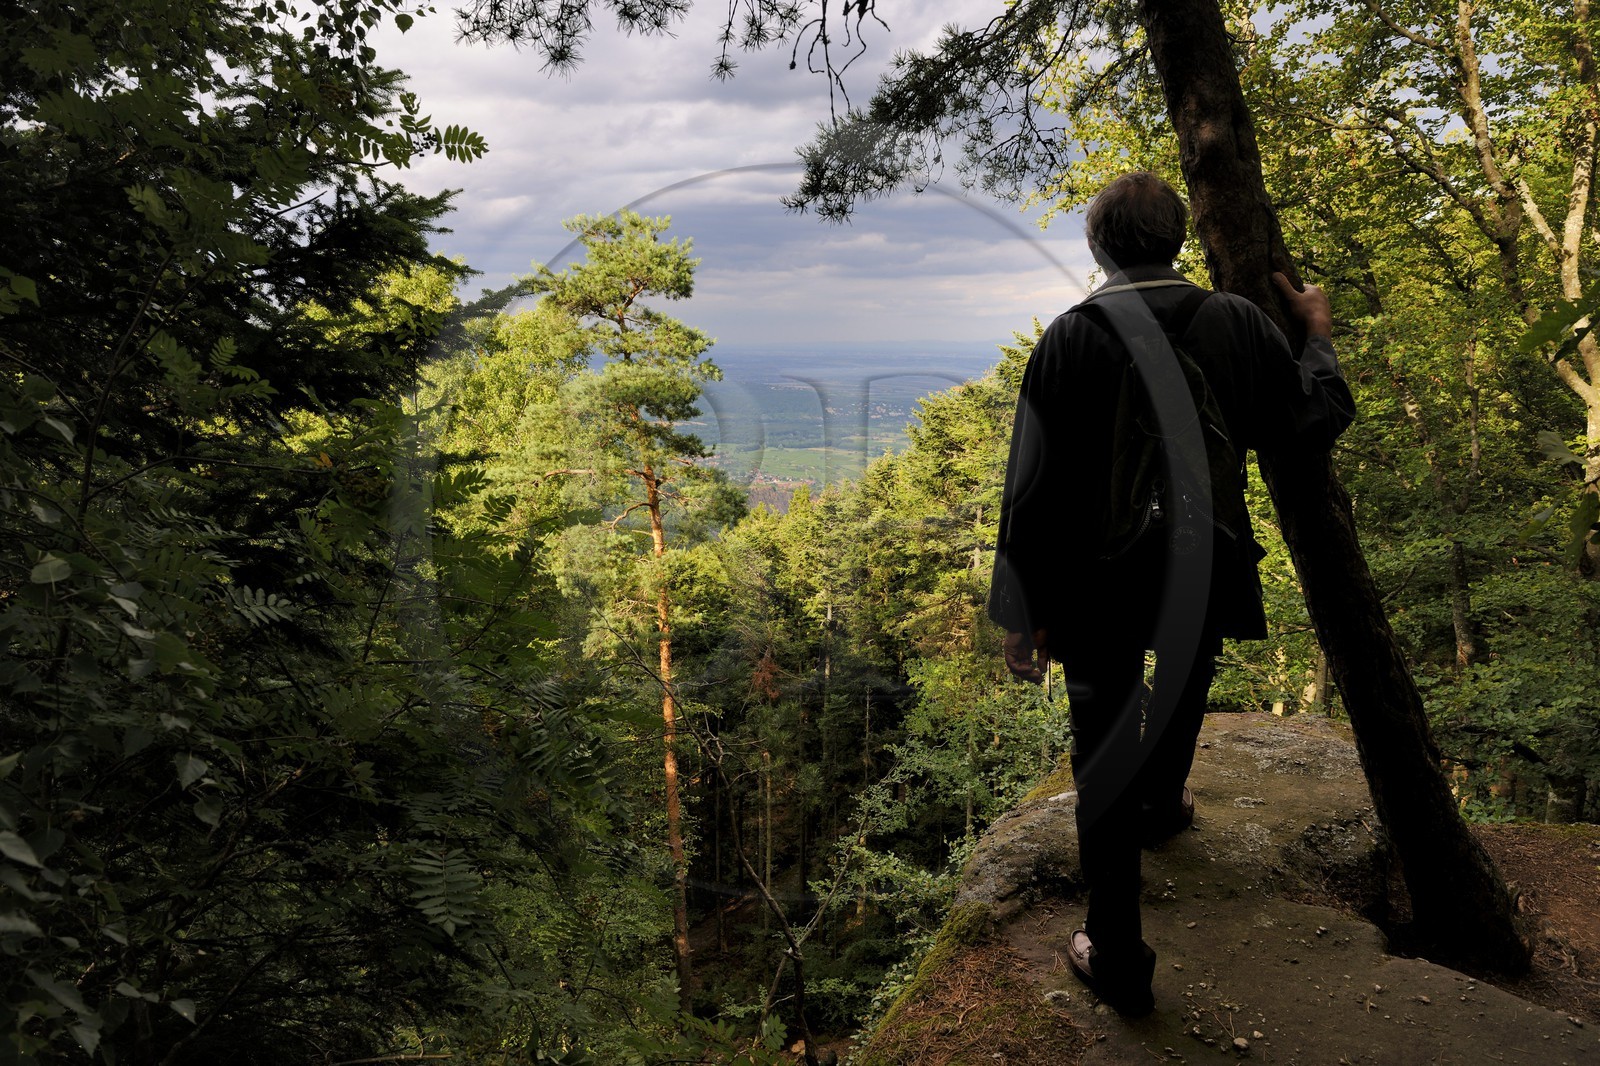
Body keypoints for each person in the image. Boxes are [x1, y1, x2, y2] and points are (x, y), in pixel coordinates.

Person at [988, 171, 1355, 1016]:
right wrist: (1317, 333)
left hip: (1092, 583)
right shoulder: (1233, 322)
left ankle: (1116, 949)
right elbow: (1313, 421)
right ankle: (1162, 801)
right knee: (1187, 676)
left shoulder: (1070, 337)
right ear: (1178, 237)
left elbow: (1030, 489)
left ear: (1097, 248)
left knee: (1102, 746)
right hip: (1206, 559)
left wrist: (1023, 612)